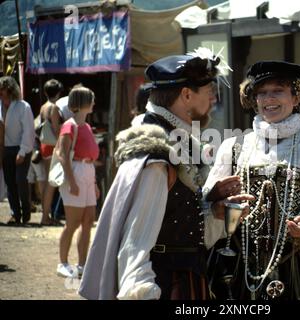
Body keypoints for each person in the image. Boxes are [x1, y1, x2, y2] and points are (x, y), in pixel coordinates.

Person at [79, 48, 252, 300]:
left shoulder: (172, 141)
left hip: (184, 275)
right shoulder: (157, 158)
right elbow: (136, 241)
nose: (213, 100)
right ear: (186, 94)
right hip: (168, 284)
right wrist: (141, 292)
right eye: (210, 92)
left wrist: (210, 204)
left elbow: (172, 217)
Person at [205, 61, 300, 300]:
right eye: (262, 92)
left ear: (296, 97)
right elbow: (208, 207)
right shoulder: (233, 147)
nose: (268, 98)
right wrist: (219, 206)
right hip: (240, 269)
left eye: (277, 91)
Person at [55, 85, 100, 278]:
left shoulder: (87, 126)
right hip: (75, 172)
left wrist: (95, 182)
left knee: (88, 221)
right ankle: (63, 263)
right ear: (83, 103)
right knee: (72, 223)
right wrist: (72, 182)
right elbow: (63, 155)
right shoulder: (69, 125)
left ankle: (82, 264)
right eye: (91, 99)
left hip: (88, 172)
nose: (94, 103)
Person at [0, 76, 35, 225]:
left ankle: (26, 211)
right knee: (9, 182)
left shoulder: (23, 106)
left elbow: (28, 131)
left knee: (20, 180)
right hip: (5, 148)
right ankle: (15, 214)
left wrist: (22, 151)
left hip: (21, 147)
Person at [39, 79, 64, 225]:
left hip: (44, 145)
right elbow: (56, 129)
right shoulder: (54, 107)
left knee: (47, 183)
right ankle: (45, 217)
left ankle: (45, 215)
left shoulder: (43, 106)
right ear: (59, 92)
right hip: (51, 146)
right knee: (51, 184)